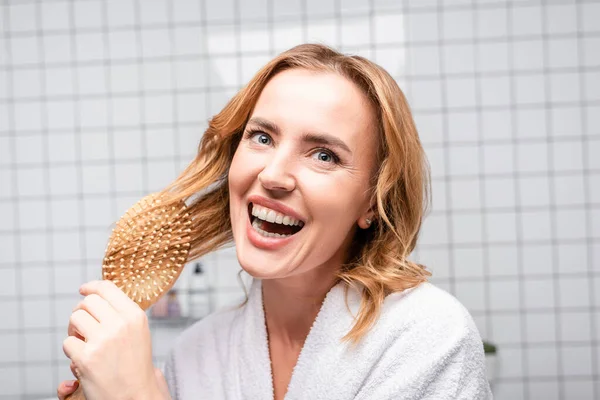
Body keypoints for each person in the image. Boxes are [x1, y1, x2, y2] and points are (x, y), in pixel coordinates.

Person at [58, 44, 492, 400]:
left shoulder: (427, 338)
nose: (272, 175)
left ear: (372, 203)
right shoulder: (197, 354)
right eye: (262, 137)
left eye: (324, 155)